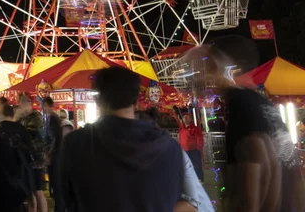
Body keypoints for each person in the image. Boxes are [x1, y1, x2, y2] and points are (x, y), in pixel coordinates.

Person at [60, 67, 191, 212]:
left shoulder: (75, 144)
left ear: (97, 100)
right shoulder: (170, 148)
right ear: (136, 101)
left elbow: (68, 198)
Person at [203, 35, 305, 211]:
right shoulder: (261, 104)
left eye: (211, 65)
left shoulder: (240, 103)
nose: (207, 74)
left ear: (228, 67)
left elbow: (257, 161)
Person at [136, 110, 214, 212]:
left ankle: (200, 178)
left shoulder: (171, 153)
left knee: (196, 166)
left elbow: (192, 206)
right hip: (186, 149)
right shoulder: (140, 156)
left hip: (198, 207)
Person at [16, 94, 49, 212]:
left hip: (36, 159)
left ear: (30, 103)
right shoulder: (22, 118)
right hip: (27, 159)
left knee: (38, 190)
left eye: (25, 101)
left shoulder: (36, 116)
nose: (22, 104)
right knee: (30, 191)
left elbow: (32, 133)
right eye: (21, 102)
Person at [43, 97, 64, 212]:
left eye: (45, 106)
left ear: (50, 106)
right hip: (56, 154)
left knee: (56, 184)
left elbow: (52, 139)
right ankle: (59, 207)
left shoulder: (52, 119)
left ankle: (59, 208)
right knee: (55, 185)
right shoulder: (54, 118)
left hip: (55, 155)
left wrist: (48, 154)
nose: (44, 108)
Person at [177, 112, 205, 182]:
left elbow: (199, 138)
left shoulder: (195, 129)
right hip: (184, 151)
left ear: (190, 119)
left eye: (187, 117)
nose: (185, 118)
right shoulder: (181, 129)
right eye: (184, 117)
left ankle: (200, 178)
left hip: (194, 150)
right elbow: (180, 139)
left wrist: (198, 148)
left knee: (196, 165)